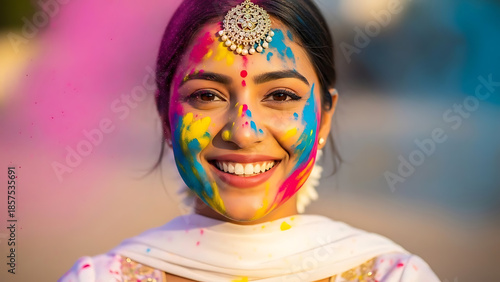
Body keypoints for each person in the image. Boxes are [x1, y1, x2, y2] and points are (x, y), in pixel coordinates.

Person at [60, 0, 441, 281]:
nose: (243, 133)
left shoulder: (394, 275)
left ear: (325, 117)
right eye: (206, 96)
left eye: (280, 96)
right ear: (165, 118)